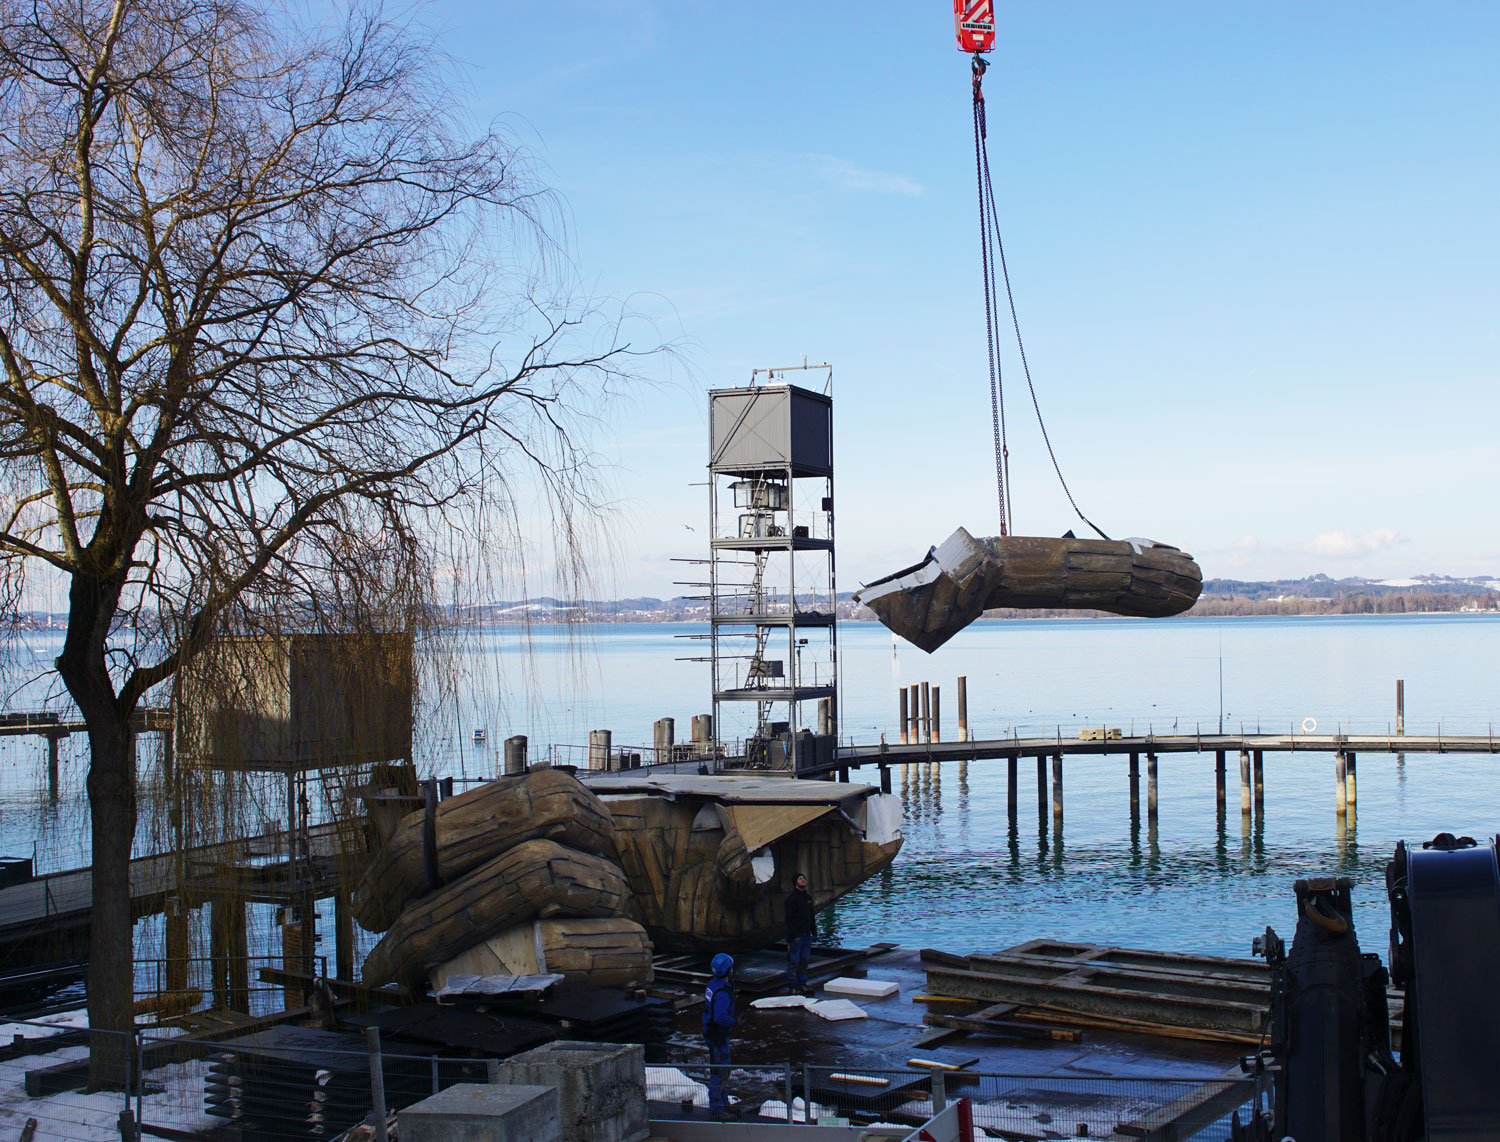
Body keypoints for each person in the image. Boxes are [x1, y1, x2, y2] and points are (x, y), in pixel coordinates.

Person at [702, 952, 737, 1117]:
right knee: (720, 1072)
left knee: (721, 1070)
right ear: (727, 970)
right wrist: (734, 1022)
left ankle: (723, 1103)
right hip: (718, 1037)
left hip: (711, 1033)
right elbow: (720, 1017)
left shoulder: (713, 984)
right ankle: (717, 1108)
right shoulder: (723, 993)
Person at [785, 873, 815, 993]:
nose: (803, 880)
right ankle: (792, 986)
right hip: (796, 936)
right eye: (800, 878)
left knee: (804, 961)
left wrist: (814, 931)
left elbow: (811, 916)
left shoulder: (808, 898)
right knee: (794, 962)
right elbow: (789, 919)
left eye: (804, 878)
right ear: (795, 883)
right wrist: (795, 935)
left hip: (806, 934)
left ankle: (802, 983)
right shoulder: (791, 899)